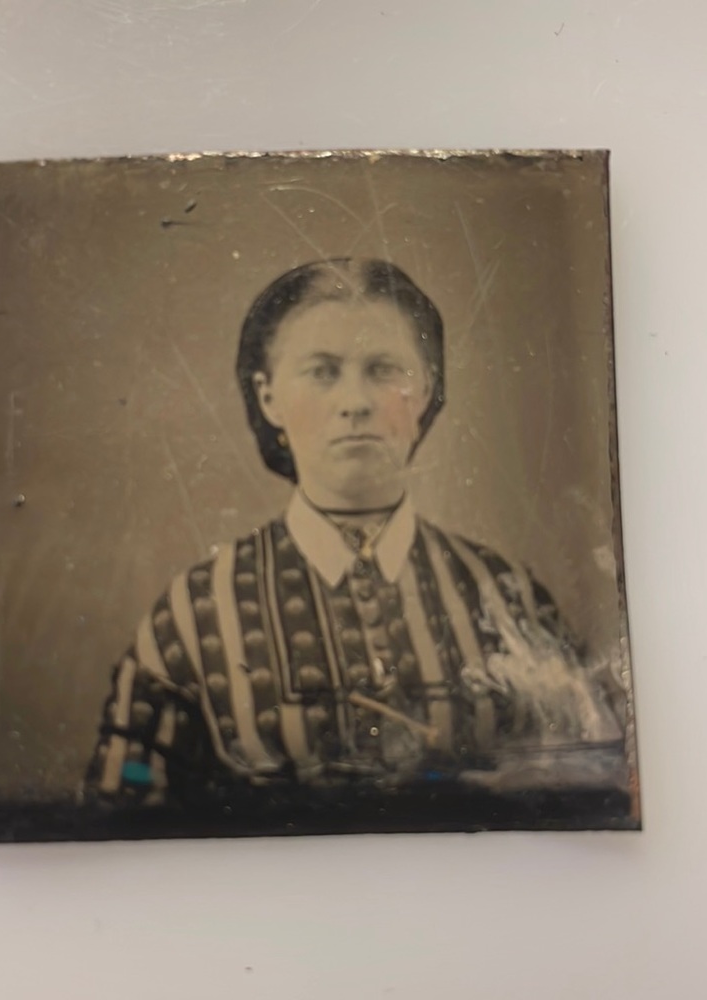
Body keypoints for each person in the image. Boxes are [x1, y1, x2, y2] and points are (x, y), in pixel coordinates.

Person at [84, 258, 624, 818]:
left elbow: (586, 796)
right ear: (269, 398)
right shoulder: (193, 619)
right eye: (322, 371)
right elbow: (122, 811)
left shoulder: (509, 598)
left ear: (427, 391)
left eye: (385, 369)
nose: (355, 402)